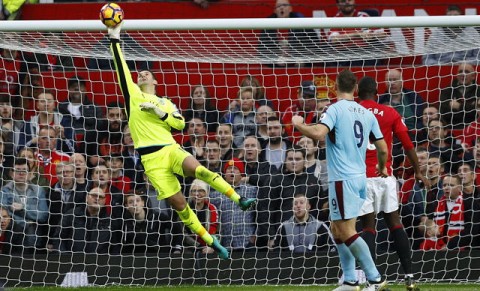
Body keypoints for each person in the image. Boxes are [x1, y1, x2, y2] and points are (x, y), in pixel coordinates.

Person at [108, 24, 255, 260]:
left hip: (169, 149)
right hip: (151, 159)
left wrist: (158, 112)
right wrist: (114, 37)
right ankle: (210, 240)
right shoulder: (133, 97)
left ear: (155, 82)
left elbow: (179, 125)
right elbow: (121, 68)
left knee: (198, 170)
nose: (142, 74)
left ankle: (239, 199)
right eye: (140, 74)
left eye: (147, 74)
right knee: (180, 206)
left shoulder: (165, 102)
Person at [292, 70, 389, 291]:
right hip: (359, 177)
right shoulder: (367, 113)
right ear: (355, 89)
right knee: (337, 228)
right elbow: (383, 147)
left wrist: (298, 124)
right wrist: (382, 167)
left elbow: (318, 133)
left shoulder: (333, 109)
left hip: (343, 179)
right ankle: (349, 281)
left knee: (346, 231)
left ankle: (375, 280)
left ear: (335, 88)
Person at [357, 76, 428, 291]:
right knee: (395, 224)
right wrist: (417, 171)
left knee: (368, 228)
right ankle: (410, 278)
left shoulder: (351, 112)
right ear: (377, 93)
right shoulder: (390, 112)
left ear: (358, 93)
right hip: (385, 175)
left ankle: (372, 280)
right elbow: (408, 145)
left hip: (361, 177)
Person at [328, 0, 391, 66]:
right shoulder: (335, 20)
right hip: (344, 56)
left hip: (365, 54)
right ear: (338, 5)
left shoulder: (363, 16)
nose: (347, 2)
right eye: (343, 0)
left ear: (354, 2)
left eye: (349, 0)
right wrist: (357, 35)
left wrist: (372, 35)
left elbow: (383, 34)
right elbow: (333, 39)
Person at [258, 0, 320, 67]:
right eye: (278, 6)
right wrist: (275, 60)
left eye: (284, 5)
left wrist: (303, 58)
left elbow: (314, 42)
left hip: (300, 63)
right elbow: (262, 48)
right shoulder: (267, 25)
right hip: (276, 66)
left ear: (290, 9)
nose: (281, 7)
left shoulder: (301, 22)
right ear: (275, 11)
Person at [439, 62, 480, 129]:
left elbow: (476, 113)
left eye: (466, 72)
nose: (463, 74)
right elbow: (443, 112)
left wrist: (459, 106)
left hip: (474, 129)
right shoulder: (447, 90)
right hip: (452, 128)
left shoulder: (478, 90)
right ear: (457, 74)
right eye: (460, 71)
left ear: (473, 76)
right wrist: (469, 107)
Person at [184, 179, 218, 255]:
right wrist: (200, 247)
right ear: (190, 193)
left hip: (210, 250)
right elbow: (183, 234)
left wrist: (212, 247)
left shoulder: (212, 209)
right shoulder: (185, 210)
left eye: (201, 191)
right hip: (189, 251)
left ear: (206, 193)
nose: (197, 194)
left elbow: (218, 232)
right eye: (194, 191)